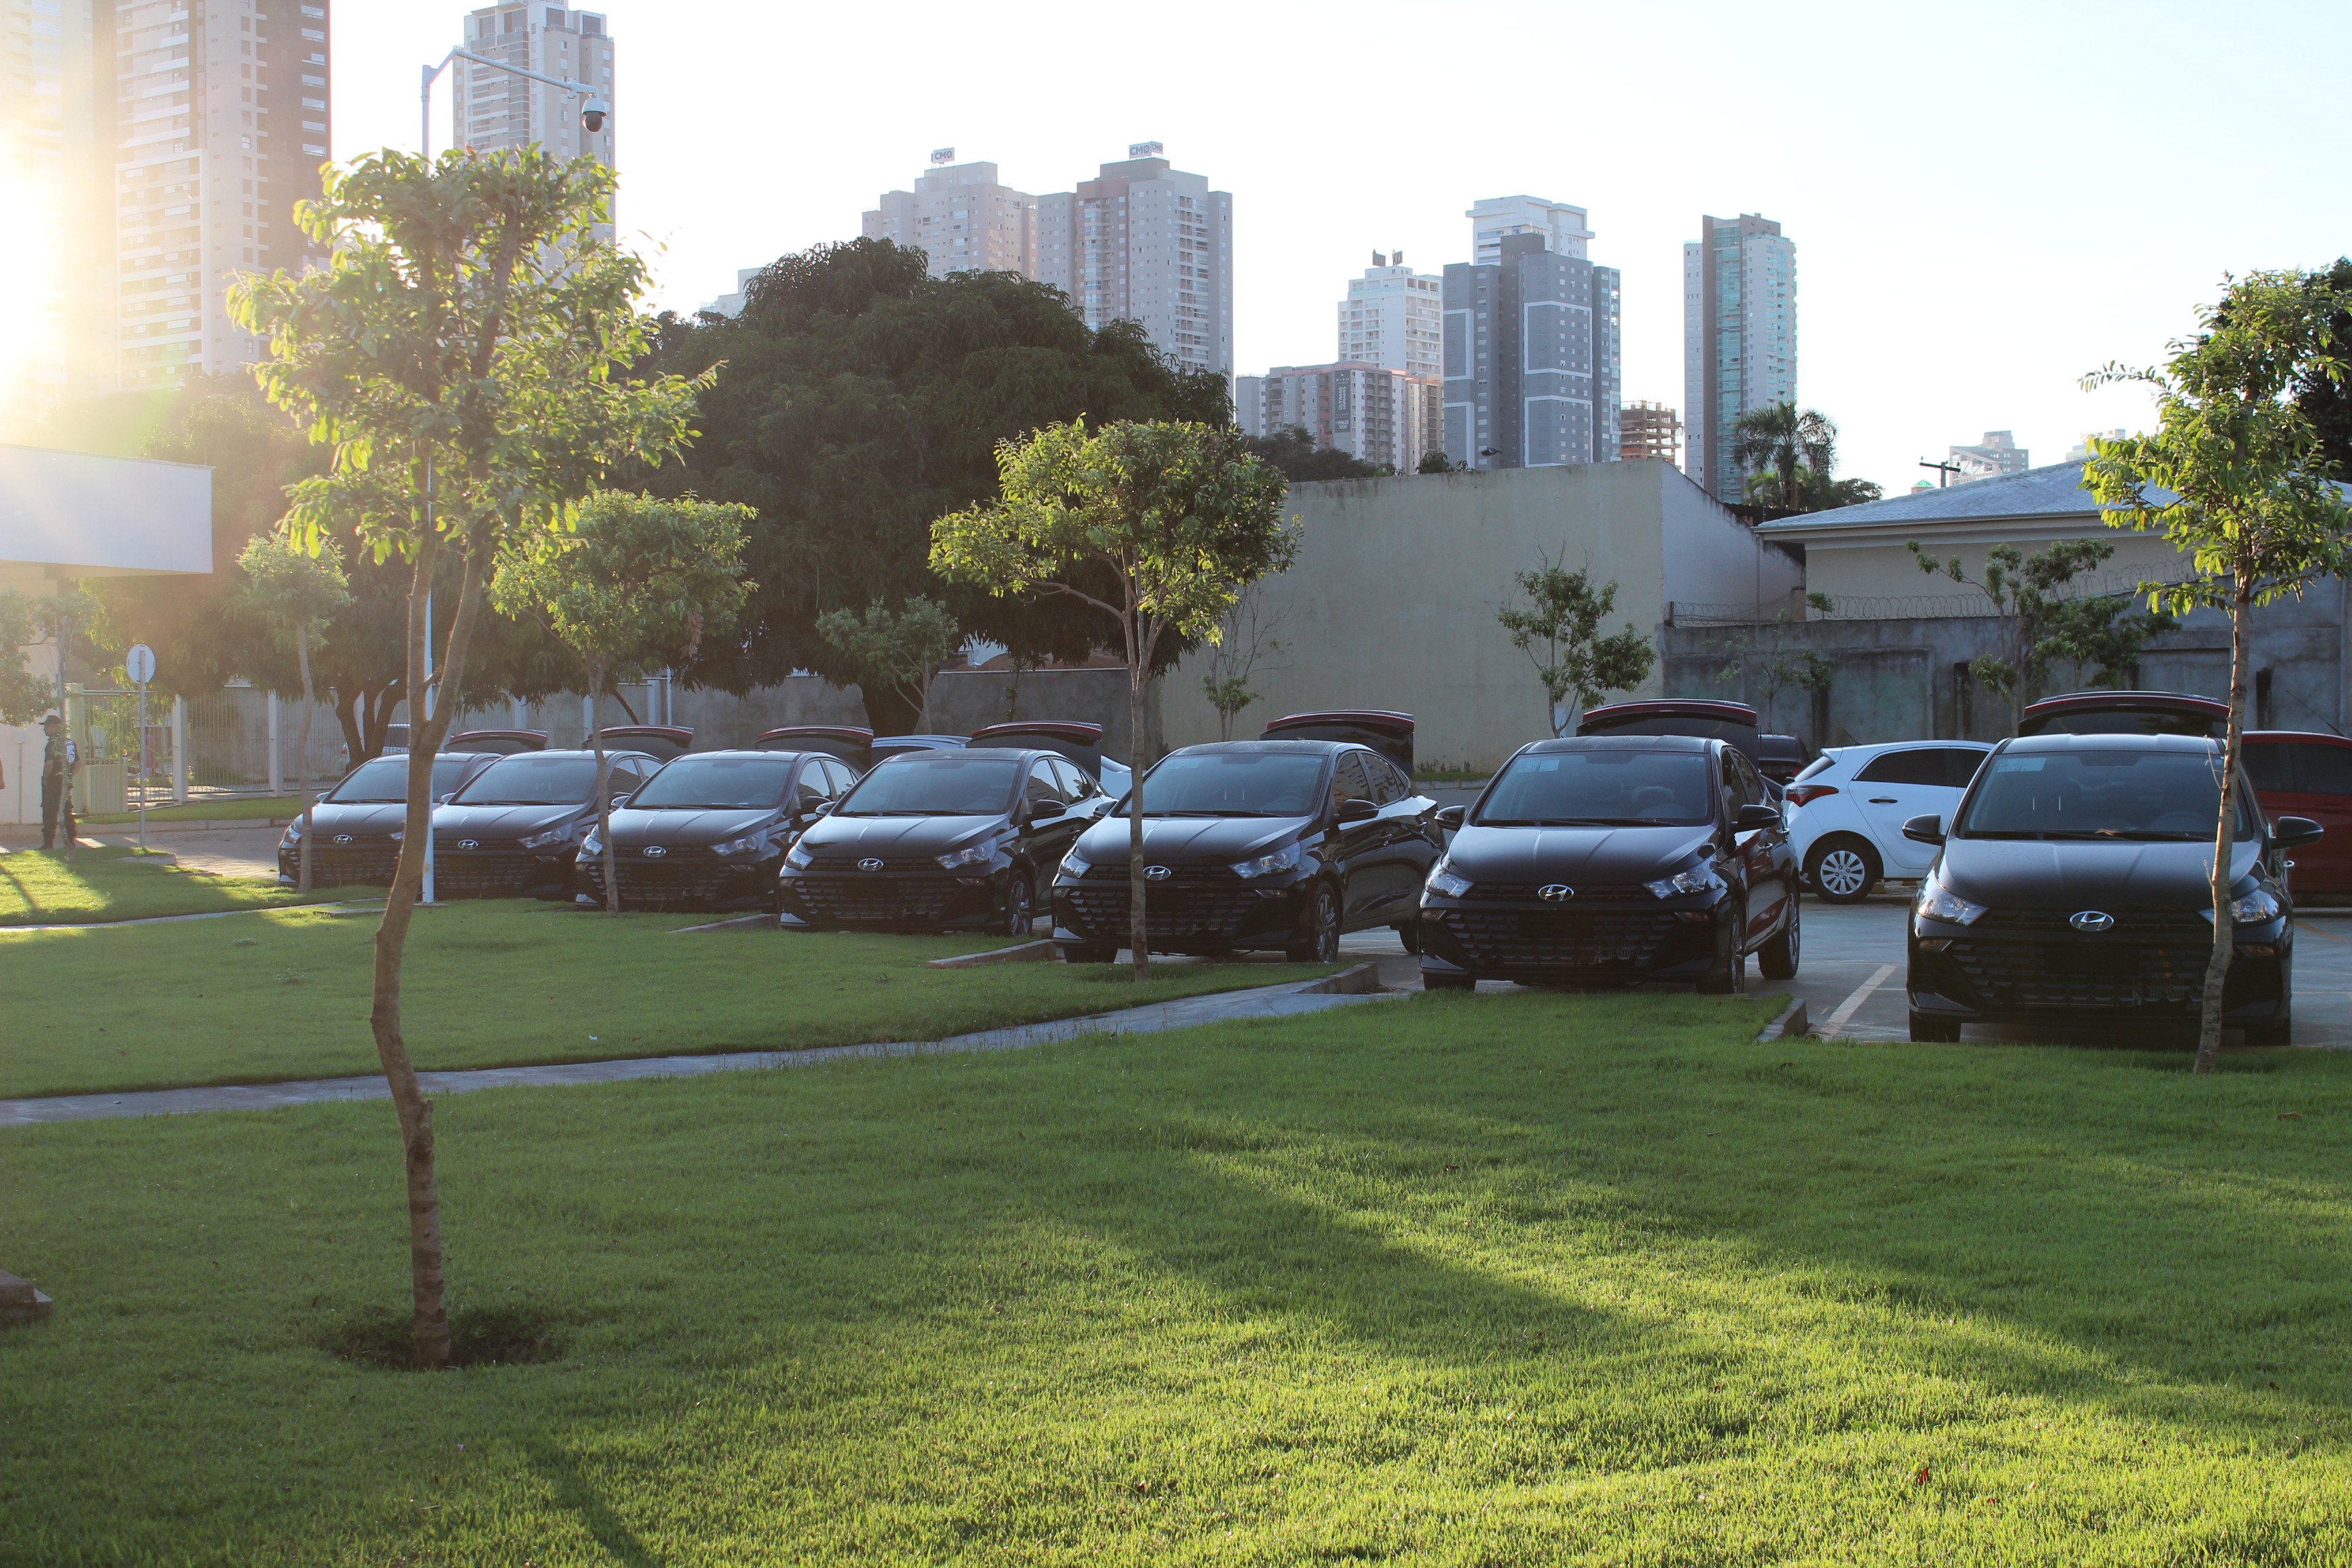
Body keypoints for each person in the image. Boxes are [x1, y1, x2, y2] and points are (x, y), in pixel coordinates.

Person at [39, 713, 79, 851]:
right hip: (65, 783)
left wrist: (45, 778)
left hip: (53, 783)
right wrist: (69, 777)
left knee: (50, 812)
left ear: (55, 727)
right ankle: (70, 841)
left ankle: (48, 843)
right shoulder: (70, 743)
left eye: (47, 727)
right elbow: (78, 763)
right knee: (67, 812)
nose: (45, 730)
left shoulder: (53, 744)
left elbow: (49, 764)